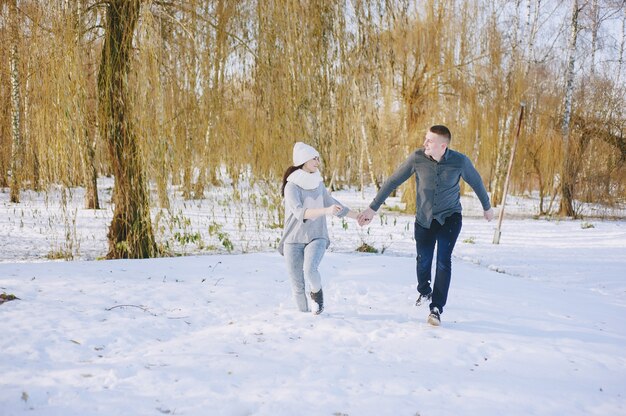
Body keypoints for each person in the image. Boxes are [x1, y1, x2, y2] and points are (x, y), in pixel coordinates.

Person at [357, 125, 494, 326]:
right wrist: (372, 208)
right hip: (424, 220)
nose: (425, 143)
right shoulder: (417, 158)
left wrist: (487, 207)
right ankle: (424, 290)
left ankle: (436, 308)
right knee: (423, 260)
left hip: (450, 218)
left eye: (429, 141)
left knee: (443, 261)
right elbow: (392, 181)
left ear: (443, 146)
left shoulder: (460, 161)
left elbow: (477, 182)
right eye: (425, 139)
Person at [278, 142, 359, 314]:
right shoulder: (291, 186)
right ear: (303, 160)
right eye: (314, 158)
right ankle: (305, 318)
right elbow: (300, 212)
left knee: (310, 269)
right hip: (293, 240)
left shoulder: (318, 183)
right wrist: (326, 211)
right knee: (297, 285)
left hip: (317, 236)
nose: (317, 162)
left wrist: (357, 216)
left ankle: (317, 297)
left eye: (317, 158)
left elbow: (333, 205)